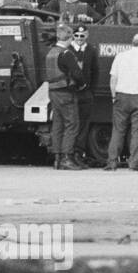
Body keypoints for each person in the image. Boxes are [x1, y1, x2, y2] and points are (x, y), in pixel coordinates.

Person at [106, 32, 138, 171]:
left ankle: (112, 163)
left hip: (121, 97)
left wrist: (113, 96)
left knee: (117, 131)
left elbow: (113, 80)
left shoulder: (120, 56)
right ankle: (133, 163)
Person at [46, 24, 85, 170]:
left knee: (58, 124)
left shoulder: (51, 53)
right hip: (66, 92)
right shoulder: (66, 54)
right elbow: (77, 74)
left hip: (53, 92)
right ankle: (67, 158)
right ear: (69, 38)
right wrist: (82, 85)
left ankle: (57, 157)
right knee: (72, 124)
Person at [69, 24, 99, 166]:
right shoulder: (68, 50)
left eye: (82, 36)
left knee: (83, 125)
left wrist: (91, 91)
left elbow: (95, 71)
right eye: (77, 36)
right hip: (71, 93)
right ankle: (68, 153)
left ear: (86, 36)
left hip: (86, 93)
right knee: (71, 124)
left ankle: (78, 154)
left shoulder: (91, 50)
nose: (79, 38)